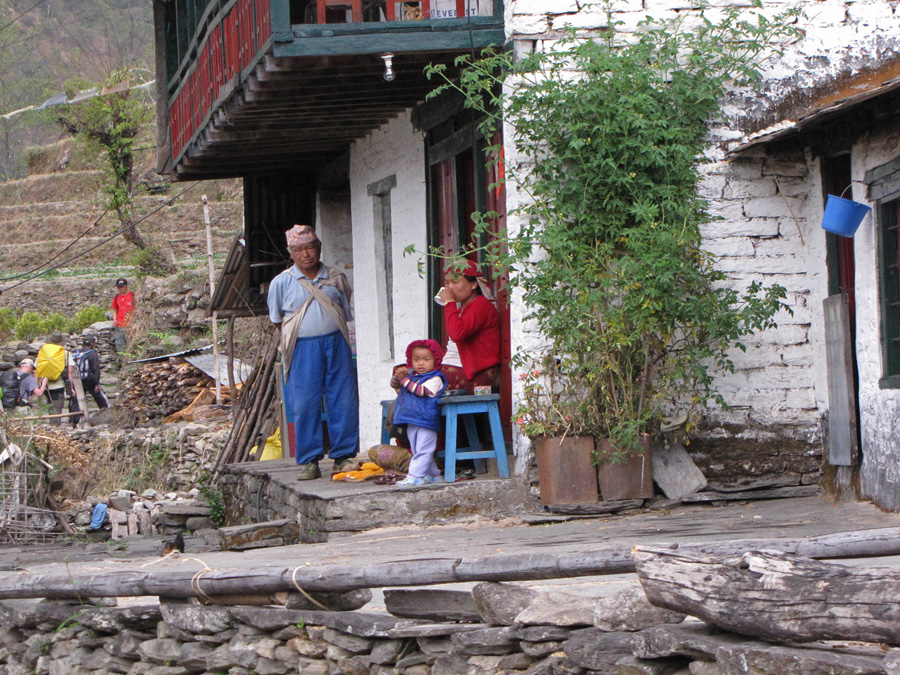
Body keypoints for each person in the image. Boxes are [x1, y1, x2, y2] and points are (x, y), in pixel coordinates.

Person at [267, 224, 359, 481]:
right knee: (305, 404)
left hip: (336, 344)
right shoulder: (282, 282)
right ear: (291, 253)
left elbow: (344, 310)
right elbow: (278, 320)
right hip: (302, 348)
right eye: (298, 249)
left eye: (310, 247)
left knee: (343, 399)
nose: (305, 253)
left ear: (319, 248)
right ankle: (310, 461)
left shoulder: (336, 277)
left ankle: (343, 456)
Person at [391, 339, 447, 487]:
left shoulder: (435, 378)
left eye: (426, 359)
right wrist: (398, 378)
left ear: (435, 361)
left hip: (426, 420)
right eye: (416, 360)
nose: (420, 363)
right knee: (417, 449)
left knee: (424, 449)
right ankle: (433, 475)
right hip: (412, 420)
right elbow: (396, 384)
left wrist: (404, 381)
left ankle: (415, 476)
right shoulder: (411, 377)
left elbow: (421, 391)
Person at [438, 261, 501, 391]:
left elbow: (457, 334)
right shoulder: (463, 309)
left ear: (473, 284)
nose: (449, 288)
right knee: (403, 373)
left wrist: (449, 303)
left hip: (476, 375)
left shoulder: (481, 305)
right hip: (455, 367)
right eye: (448, 283)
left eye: (455, 282)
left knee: (418, 376)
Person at [69, 336, 110, 426]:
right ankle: (106, 414)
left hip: (78, 380)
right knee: (100, 397)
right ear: (92, 344)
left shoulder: (76, 353)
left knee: (76, 400)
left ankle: (74, 421)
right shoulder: (92, 354)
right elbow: (96, 369)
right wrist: (96, 383)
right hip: (90, 380)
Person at [36, 333, 71, 426]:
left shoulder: (43, 352)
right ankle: (55, 426)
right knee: (57, 406)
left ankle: (53, 424)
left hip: (45, 385)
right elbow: (70, 371)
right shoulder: (65, 353)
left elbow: (36, 369)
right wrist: (71, 387)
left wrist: (36, 385)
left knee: (50, 404)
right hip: (58, 385)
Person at [111, 278, 135, 351]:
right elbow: (115, 310)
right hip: (119, 325)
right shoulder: (116, 297)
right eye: (119, 287)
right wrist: (114, 319)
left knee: (131, 344)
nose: (120, 288)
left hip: (130, 324)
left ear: (126, 286)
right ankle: (123, 360)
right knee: (120, 344)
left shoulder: (133, 295)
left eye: (122, 286)